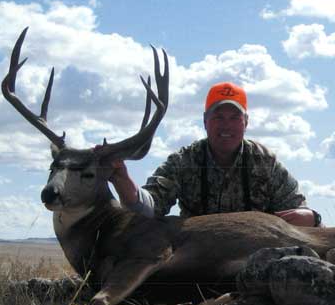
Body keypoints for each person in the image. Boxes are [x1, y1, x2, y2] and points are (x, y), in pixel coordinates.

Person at [108, 82, 322, 227]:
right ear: (204, 121)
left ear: (246, 122)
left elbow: (299, 213)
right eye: (218, 117)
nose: (226, 126)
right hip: (198, 255)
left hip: (255, 252)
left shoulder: (266, 163)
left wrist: (313, 218)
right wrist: (123, 181)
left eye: (234, 117)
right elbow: (149, 208)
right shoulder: (184, 161)